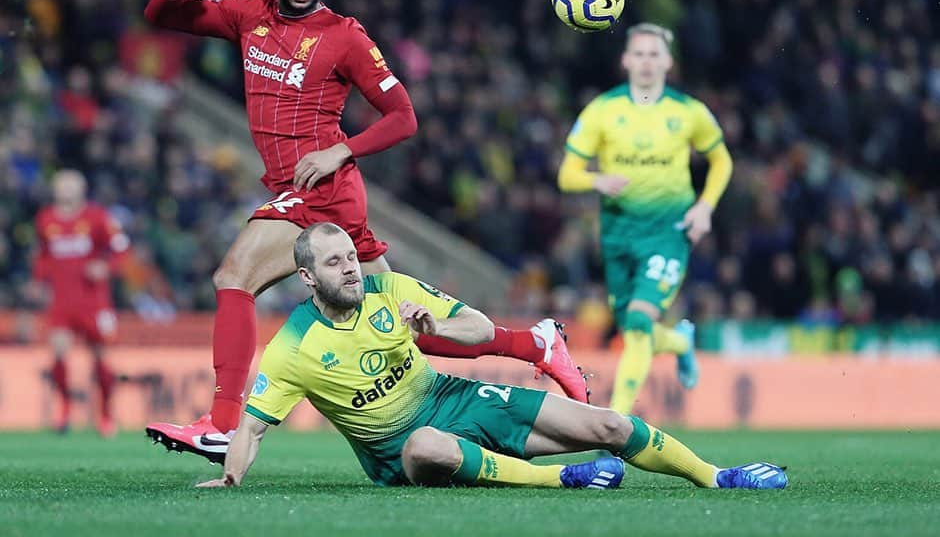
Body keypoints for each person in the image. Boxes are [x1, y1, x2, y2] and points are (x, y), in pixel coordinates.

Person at [143, 0, 587, 460]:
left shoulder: (344, 36)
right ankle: (535, 344)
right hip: (295, 187)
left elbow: (403, 117)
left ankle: (221, 423)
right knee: (398, 323)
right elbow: (160, 14)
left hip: (324, 189)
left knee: (234, 276)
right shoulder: (247, 16)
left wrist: (340, 149)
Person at [193, 223, 785, 492]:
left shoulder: (389, 291)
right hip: (401, 453)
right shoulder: (294, 346)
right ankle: (562, 480)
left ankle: (718, 476)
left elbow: (478, 328)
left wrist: (436, 324)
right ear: (306, 277)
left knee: (605, 424)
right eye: (335, 262)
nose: (351, 267)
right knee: (424, 446)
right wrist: (230, 476)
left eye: (351, 255)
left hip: (455, 400)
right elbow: (253, 426)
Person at [557, 23, 734, 413]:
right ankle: (679, 342)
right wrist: (597, 179)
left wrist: (704, 207)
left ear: (668, 62)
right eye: (639, 53)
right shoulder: (603, 110)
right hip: (619, 234)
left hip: (669, 231)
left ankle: (615, 424)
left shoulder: (689, 112)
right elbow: (566, 176)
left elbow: (722, 161)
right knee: (633, 328)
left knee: (638, 322)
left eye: (654, 54)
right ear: (625, 60)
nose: (646, 62)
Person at [30, 170, 129, 437]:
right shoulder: (46, 219)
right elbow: (42, 255)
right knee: (59, 354)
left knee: (100, 357)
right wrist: (38, 280)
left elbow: (121, 249)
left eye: (71, 184)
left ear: (82, 188)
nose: (66, 189)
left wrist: (105, 267)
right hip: (62, 301)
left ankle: (106, 413)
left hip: (94, 302)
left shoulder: (97, 217)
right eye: (61, 184)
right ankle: (64, 409)